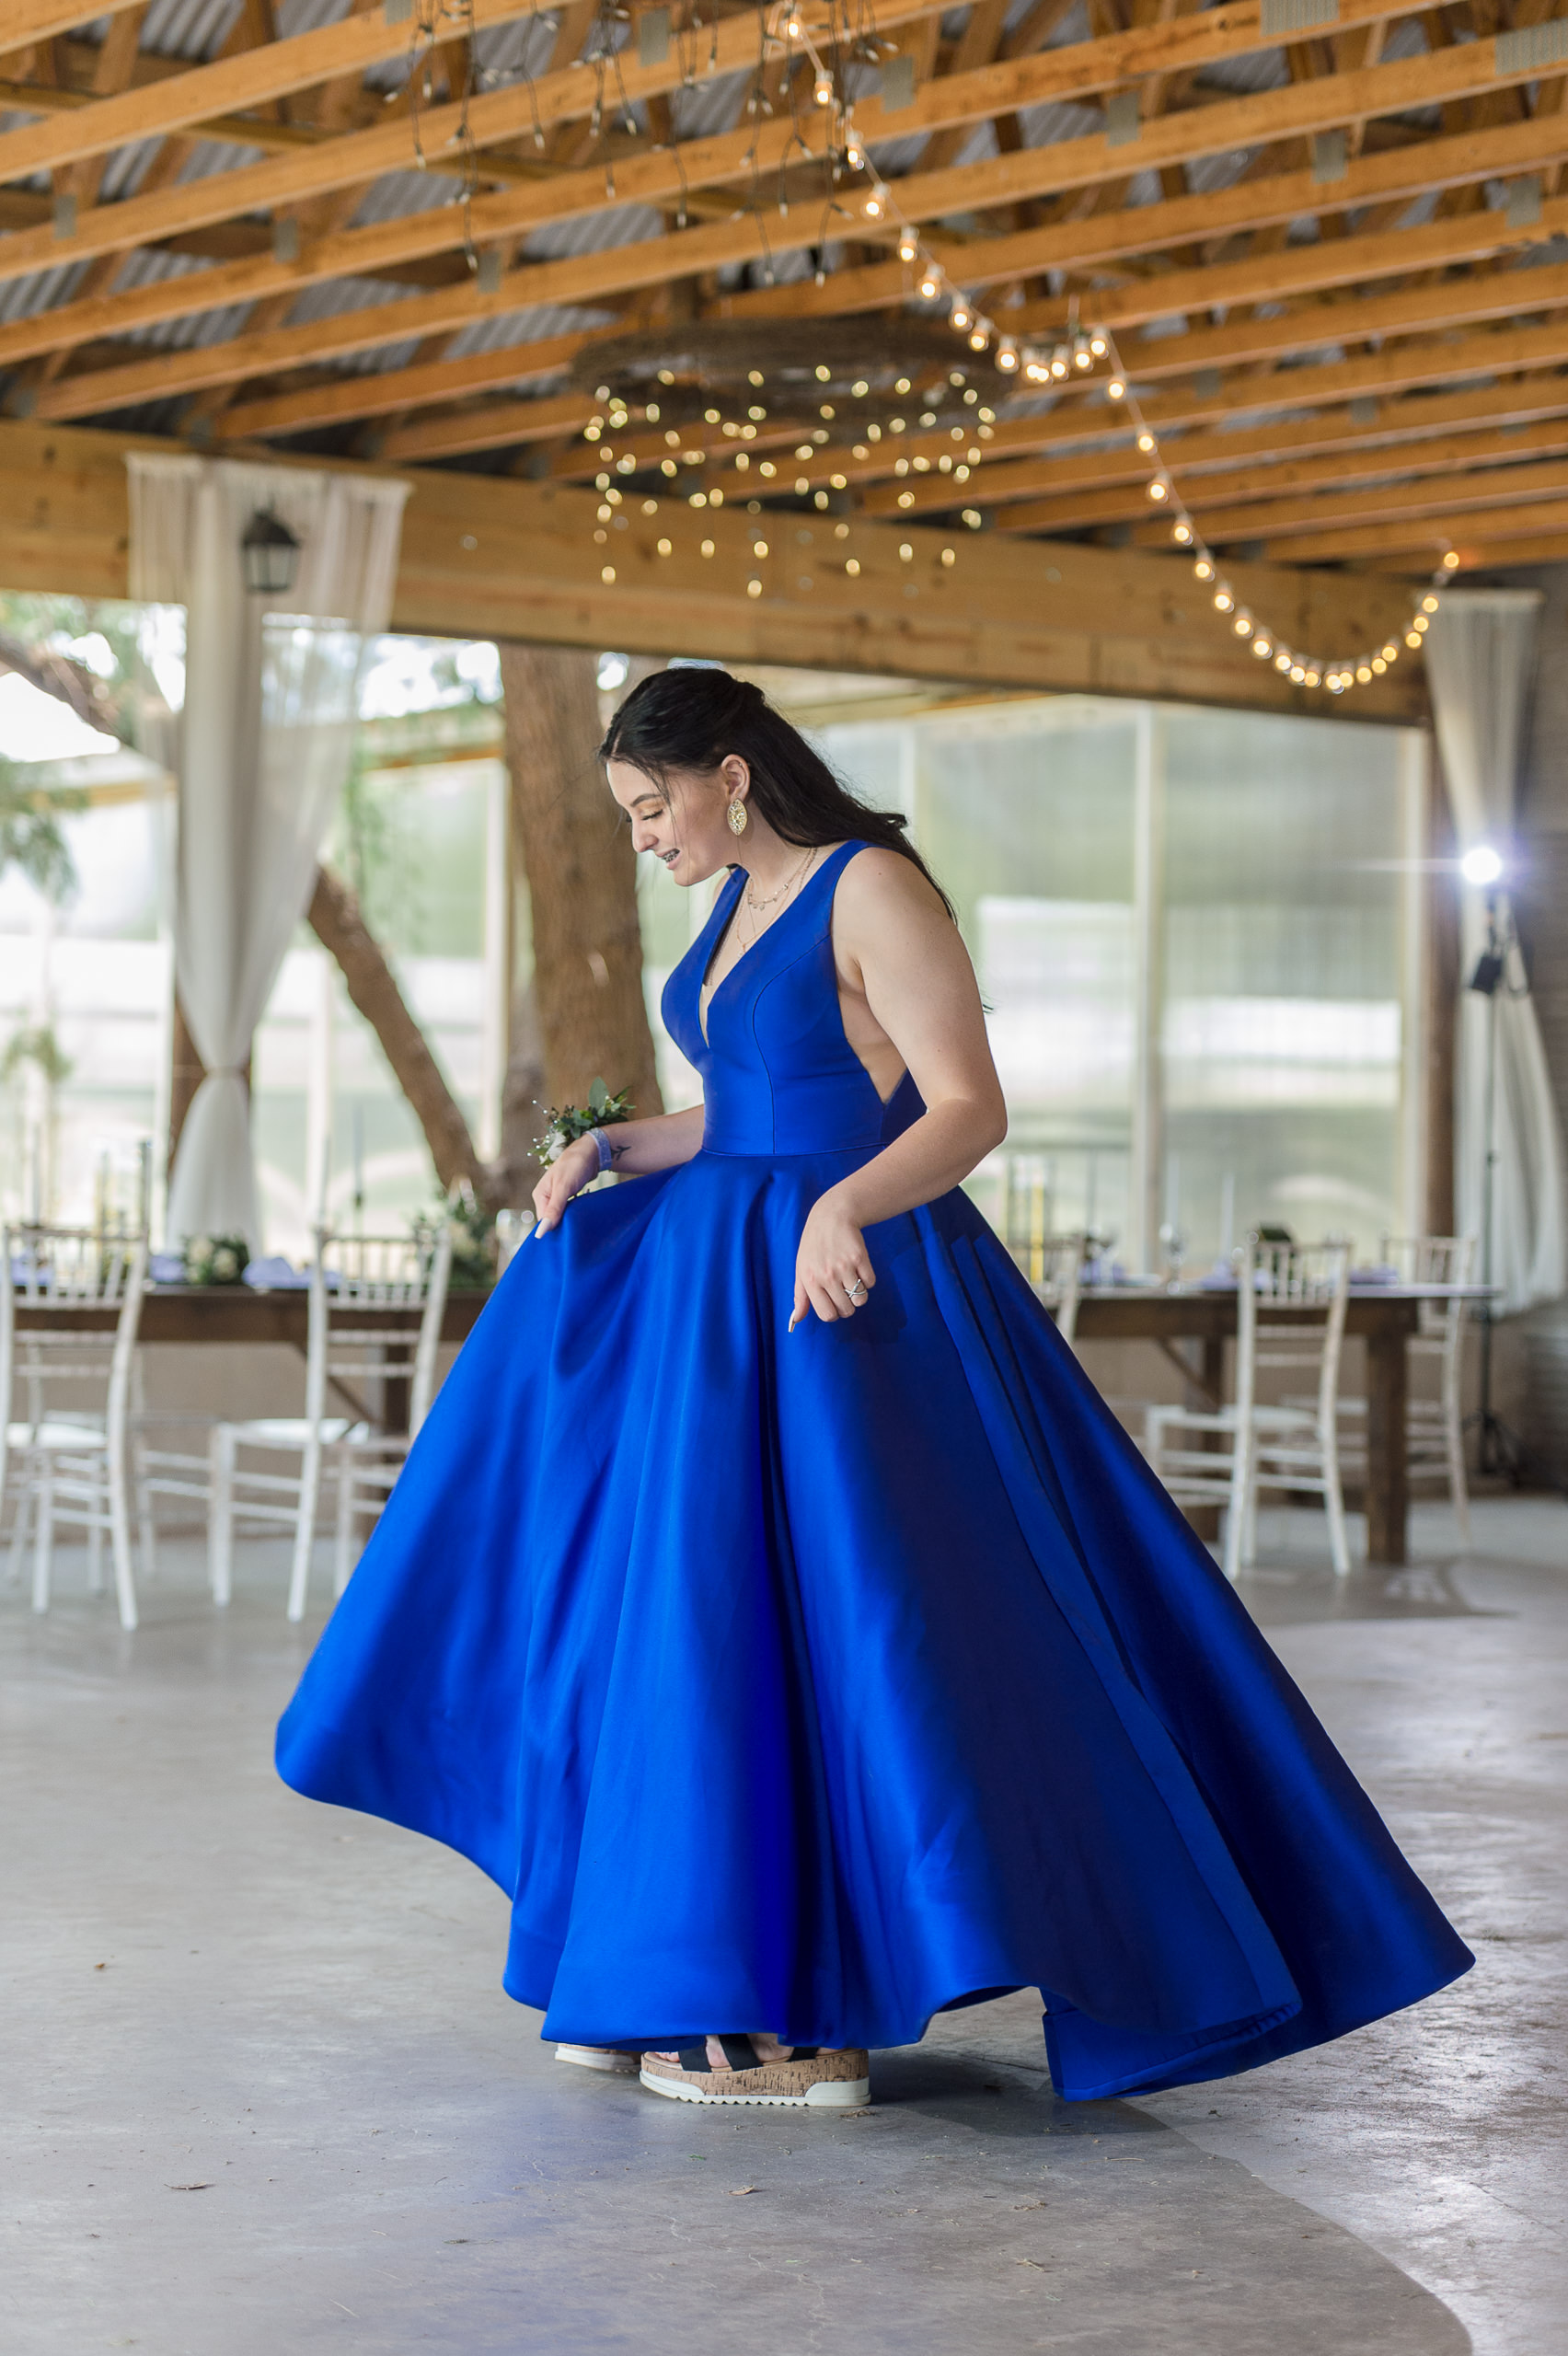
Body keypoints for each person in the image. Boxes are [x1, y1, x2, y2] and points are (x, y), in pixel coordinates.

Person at [276, 666, 1470, 2114]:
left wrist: (844, 1207)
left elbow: (967, 1105)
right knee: (708, 1629)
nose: (644, 839)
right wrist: (616, 1148)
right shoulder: (739, 901)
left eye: (653, 807)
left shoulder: (872, 888)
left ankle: (799, 2022)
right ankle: (675, 1964)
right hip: (727, 1300)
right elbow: (747, 1113)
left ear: (729, 776)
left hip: (841, 1304)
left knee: (857, 1640)